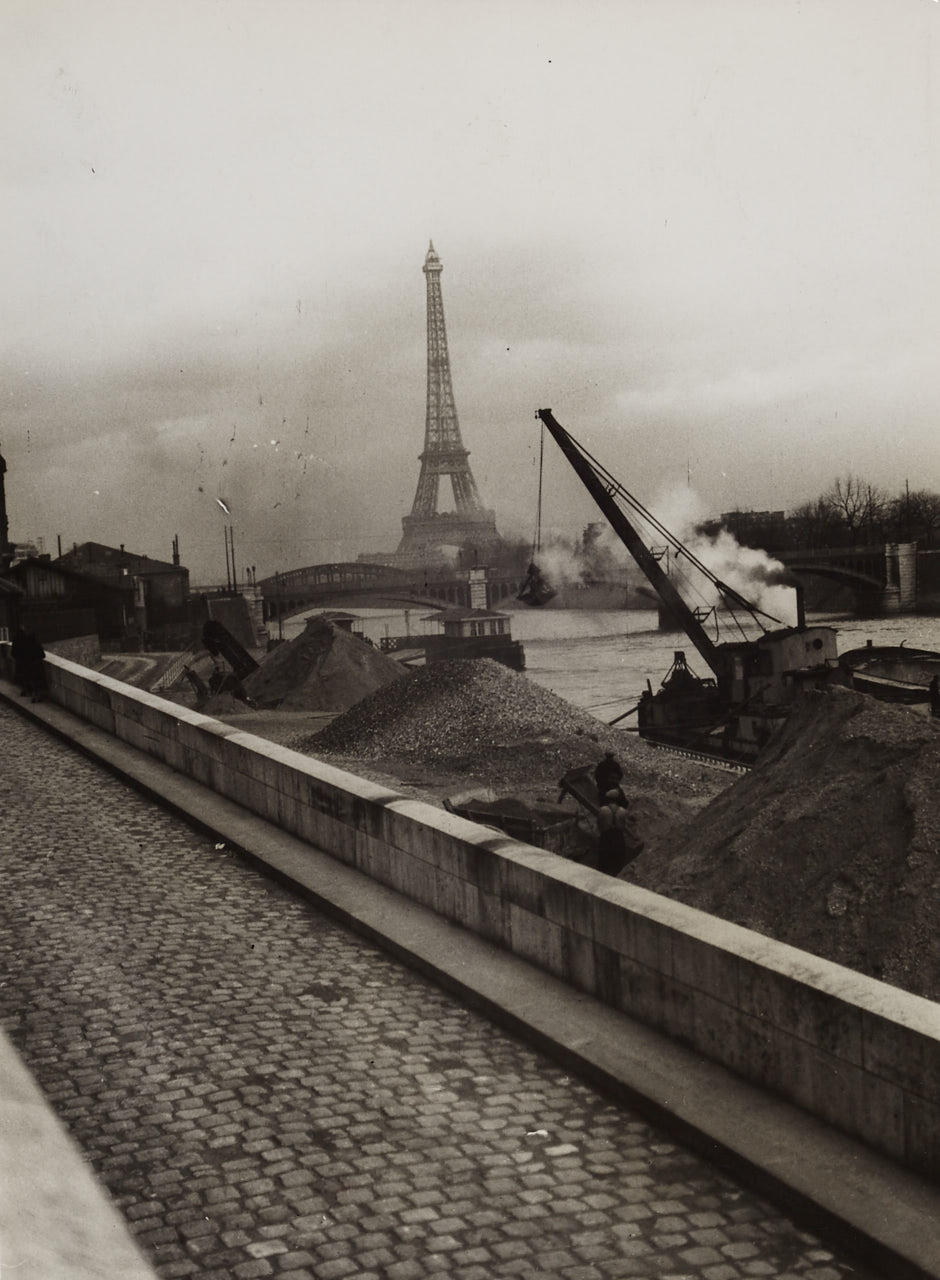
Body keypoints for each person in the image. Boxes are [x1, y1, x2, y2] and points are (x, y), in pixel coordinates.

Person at [595, 789, 644, 876]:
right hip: (618, 838)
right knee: (617, 862)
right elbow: (626, 826)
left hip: (606, 837)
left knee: (603, 862)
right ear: (617, 799)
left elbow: (599, 824)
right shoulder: (623, 811)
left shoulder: (602, 810)